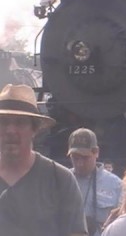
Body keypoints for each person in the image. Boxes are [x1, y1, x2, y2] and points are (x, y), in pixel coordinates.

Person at [0, 84, 87, 236]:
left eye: (20, 123)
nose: (10, 130)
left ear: (35, 129)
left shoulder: (60, 179)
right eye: (4, 122)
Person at [68, 127, 122, 236]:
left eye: (84, 158)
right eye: (75, 158)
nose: (79, 163)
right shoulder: (62, 181)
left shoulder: (116, 185)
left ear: (96, 152)